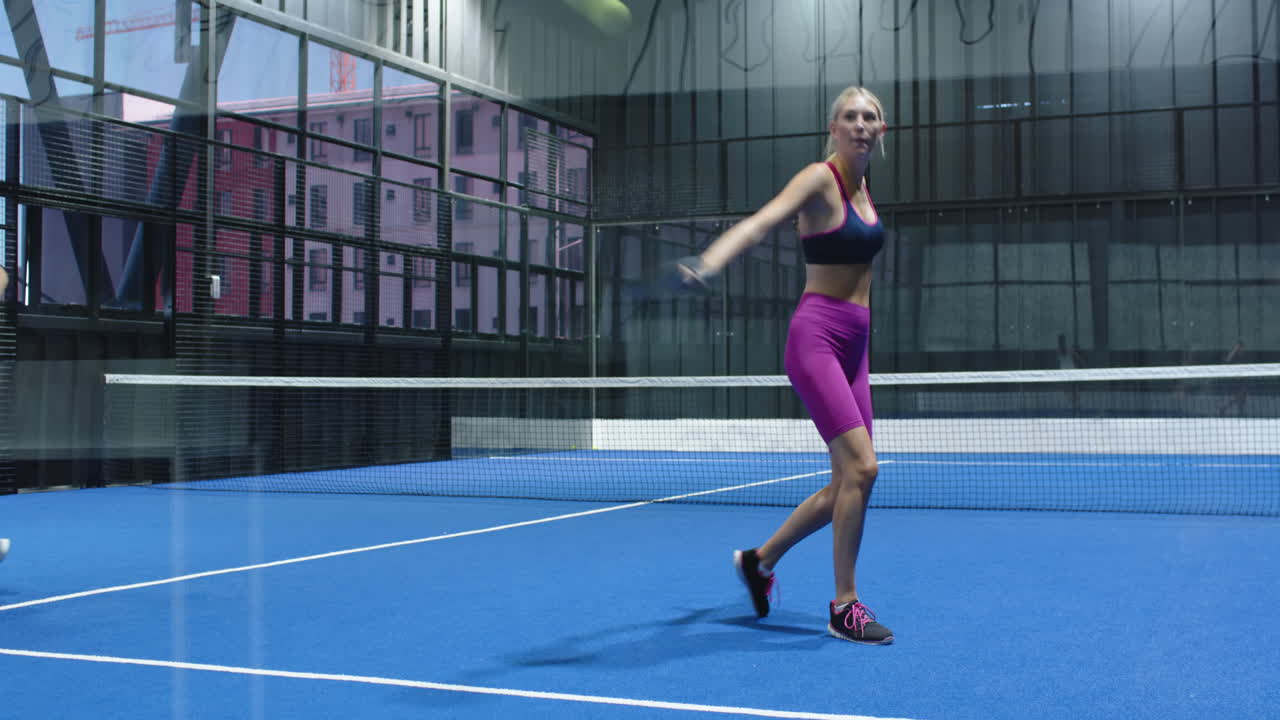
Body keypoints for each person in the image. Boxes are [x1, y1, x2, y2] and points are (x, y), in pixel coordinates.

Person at [670, 87, 893, 644]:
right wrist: (708, 261)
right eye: (849, 116)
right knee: (864, 469)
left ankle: (759, 561)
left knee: (848, 482)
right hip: (817, 337)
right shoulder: (820, 178)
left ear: (881, 129)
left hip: (857, 345)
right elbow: (761, 222)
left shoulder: (865, 188)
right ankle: (845, 606)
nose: (860, 124)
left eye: (869, 116)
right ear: (833, 128)